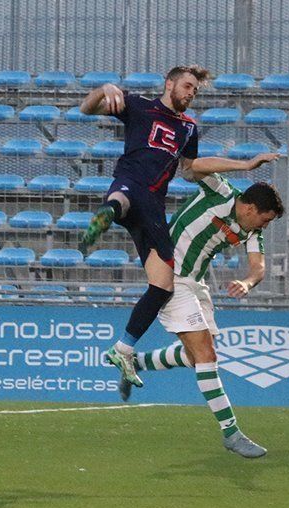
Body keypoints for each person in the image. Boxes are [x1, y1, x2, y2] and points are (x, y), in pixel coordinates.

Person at [119, 153, 285, 459]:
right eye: (265, 218)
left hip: (196, 283)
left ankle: (139, 363)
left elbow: (258, 267)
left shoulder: (251, 229)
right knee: (206, 355)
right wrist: (247, 165)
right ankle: (231, 433)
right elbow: (191, 166)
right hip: (170, 276)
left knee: (198, 358)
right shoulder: (221, 192)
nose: (265, 225)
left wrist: (248, 282)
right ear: (250, 208)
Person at [78, 65, 209, 389]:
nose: (191, 93)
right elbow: (86, 107)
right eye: (188, 86)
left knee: (163, 285)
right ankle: (110, 210)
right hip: (139, 189)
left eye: (195, 90)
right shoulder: (138, 106)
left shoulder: (190, 129)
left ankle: (123, 349)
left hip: (148, 204)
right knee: (128, 196)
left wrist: (225, 168)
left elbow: (191, 171)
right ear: (170, 84)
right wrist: (104, 87)